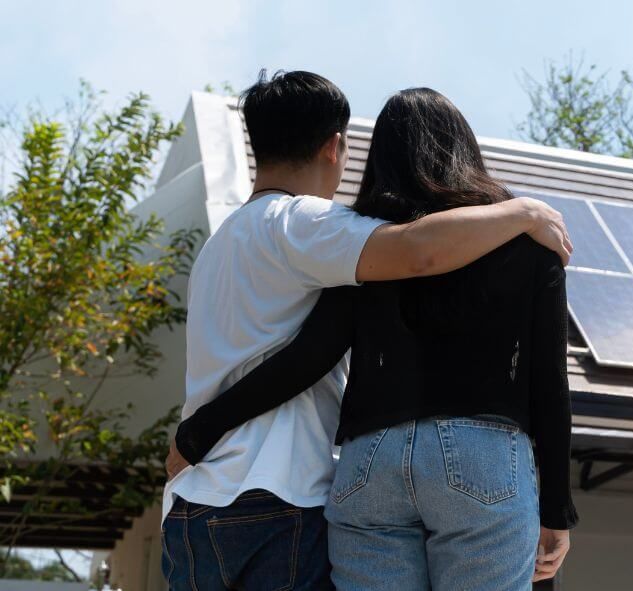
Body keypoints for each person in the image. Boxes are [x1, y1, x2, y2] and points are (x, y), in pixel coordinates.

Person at [162, 72, 572, 591]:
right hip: (475, 457)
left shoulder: (235, 247)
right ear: (334, 146)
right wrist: (556, 510)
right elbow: (549, 385)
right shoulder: (519, 244)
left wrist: (198, 431)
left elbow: (310, 353)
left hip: (359, 464)